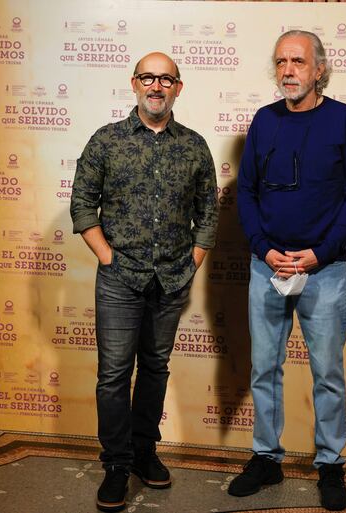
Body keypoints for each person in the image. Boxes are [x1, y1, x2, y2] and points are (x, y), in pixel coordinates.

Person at [70, 52, 218, 512]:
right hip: (119, 278)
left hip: (171, 280)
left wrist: (191, 262)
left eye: (166, 79)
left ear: (178, 87)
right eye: (149, 77)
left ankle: (144, 453)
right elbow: (81, 203)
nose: (157, 86)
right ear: (135, 83)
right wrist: (107, 256)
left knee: (154, 369)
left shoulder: (194, 146)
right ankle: (116, 464)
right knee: (114, 375)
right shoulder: (107, 141)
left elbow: (209, 212)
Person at [231, 30, 346, 511]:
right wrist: (264, 249)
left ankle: (330, 464)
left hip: (323, 269)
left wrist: (321, 253)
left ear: (319, 69)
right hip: (266, 264)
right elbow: (245, 192)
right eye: (281, 62)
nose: (288, 70)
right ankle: (266, 458)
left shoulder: (345, 121)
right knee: (264, 367)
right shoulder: (264, 121)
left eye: (297, 62)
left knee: (327, 370)